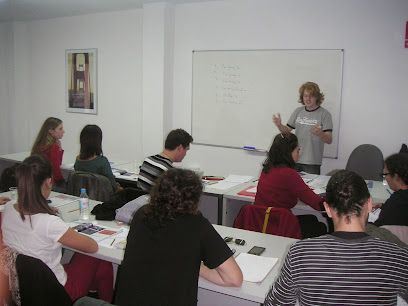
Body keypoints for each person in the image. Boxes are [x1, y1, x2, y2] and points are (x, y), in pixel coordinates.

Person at [264, 170, 408, 306]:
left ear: (327, 208)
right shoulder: (397, 256)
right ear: (369, 204)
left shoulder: (300, 254)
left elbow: (274, 303)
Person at [115, 168, 243, 306]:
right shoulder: (197, 225)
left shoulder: (142, 214)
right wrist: (197, 265)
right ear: (195, 198)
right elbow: (234, 279)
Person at [1, 155, 113, 302]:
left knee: (100, 264)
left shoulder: (8, 208)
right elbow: (92, 247)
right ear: (49, 182)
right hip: (57, 292)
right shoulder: (49, 223)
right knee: (97, 258)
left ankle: (95, 298)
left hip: (22, 287)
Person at [254, 132, 326, 238]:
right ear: (288, 153)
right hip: (279, 226)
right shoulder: (289, 174)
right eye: (297, 150)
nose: (299, 153)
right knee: (320, 226)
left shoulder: (267, 169)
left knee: (312, 219)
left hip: (261, 222)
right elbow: (318, 204)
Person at [272, 82, 333, 174]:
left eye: (311, 96)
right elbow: (287, 131)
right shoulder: (298, 111)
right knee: (292, 187)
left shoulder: (325, 114)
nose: (308, 99)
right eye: (305, 96)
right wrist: (279, 125)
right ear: (302, 97)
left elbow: (329, 140)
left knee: (311, 188)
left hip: (312, 162)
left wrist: (321, 133)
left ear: (317, 97)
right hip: (294, 158)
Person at [74, 125, 121, 192]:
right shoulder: (102, 161)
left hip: (83, 195)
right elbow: (113, 185)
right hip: (102, 197)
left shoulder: (78, 161)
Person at [31, 117, 66, 190]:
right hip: (50, 184)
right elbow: (56, 167)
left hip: (36, 181)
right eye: (60, 129)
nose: (63, 131)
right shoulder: (53, 147)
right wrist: (62, 181)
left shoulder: (39, 144)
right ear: (51, 131)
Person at [374, 153, 408, 226]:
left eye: (385, 174)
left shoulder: (396, 202)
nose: (385, 178)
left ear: (396, 176)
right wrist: (383, 206)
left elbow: (379, 228)